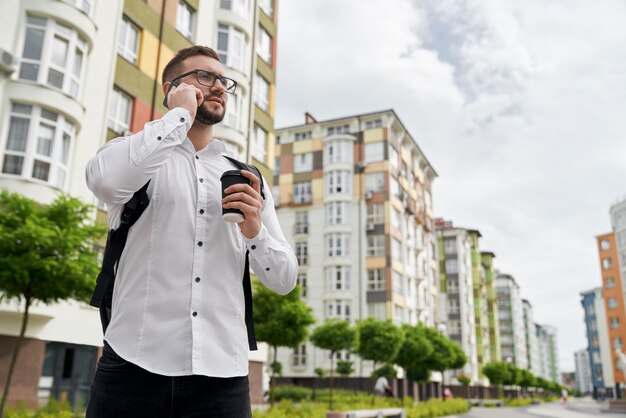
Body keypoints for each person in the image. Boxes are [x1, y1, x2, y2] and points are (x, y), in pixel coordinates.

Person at [85, 45, 297, 418]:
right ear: (171, 88)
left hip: (223, 377)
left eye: (223, 80)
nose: (218, 86)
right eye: (204, 76)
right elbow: (104, 182)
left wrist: (255, 232)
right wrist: (178, 115)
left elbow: (284, 279)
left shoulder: (248, 178)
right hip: (132, 366)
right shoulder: (134, 156)